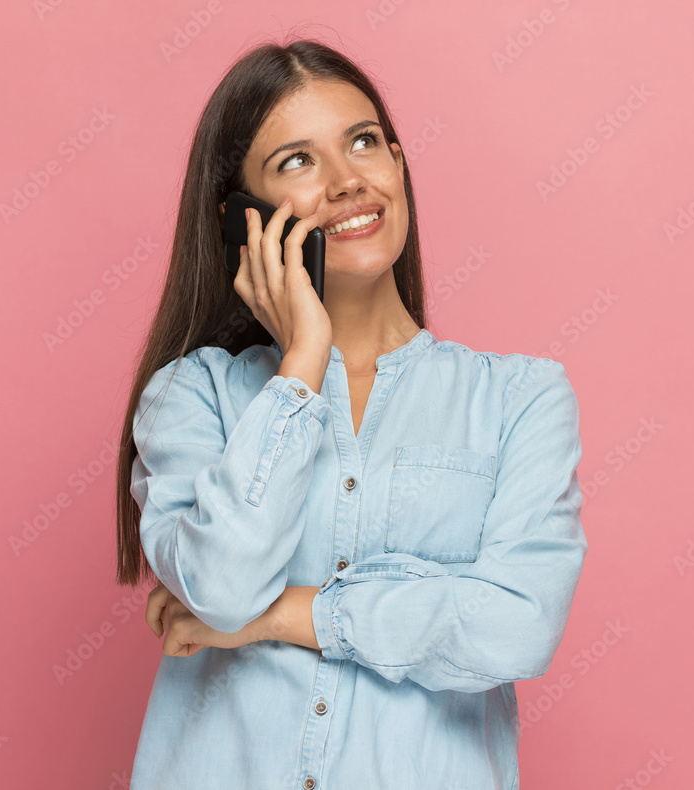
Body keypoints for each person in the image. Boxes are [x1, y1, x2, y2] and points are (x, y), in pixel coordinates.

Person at [114, 36, 588, 790]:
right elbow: (222, 587)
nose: (345, 182)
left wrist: (279, 617)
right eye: (297, 161)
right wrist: (302, 361)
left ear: (398, 164)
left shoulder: (519, 399)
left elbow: (515, 627)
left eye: (363, 143)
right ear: (241, 217)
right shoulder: (191, 397)